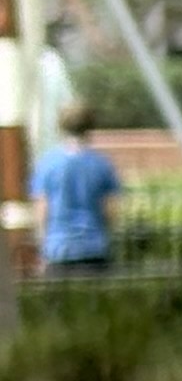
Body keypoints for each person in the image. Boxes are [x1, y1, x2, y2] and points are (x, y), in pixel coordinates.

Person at [33, 102, 118, 274]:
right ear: (90, 127)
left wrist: (43, 246)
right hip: (94, 247)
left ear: (61, 126)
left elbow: (42, 209)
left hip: (58, 248)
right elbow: (110, 210)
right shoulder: (101, 164)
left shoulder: (48, 163)